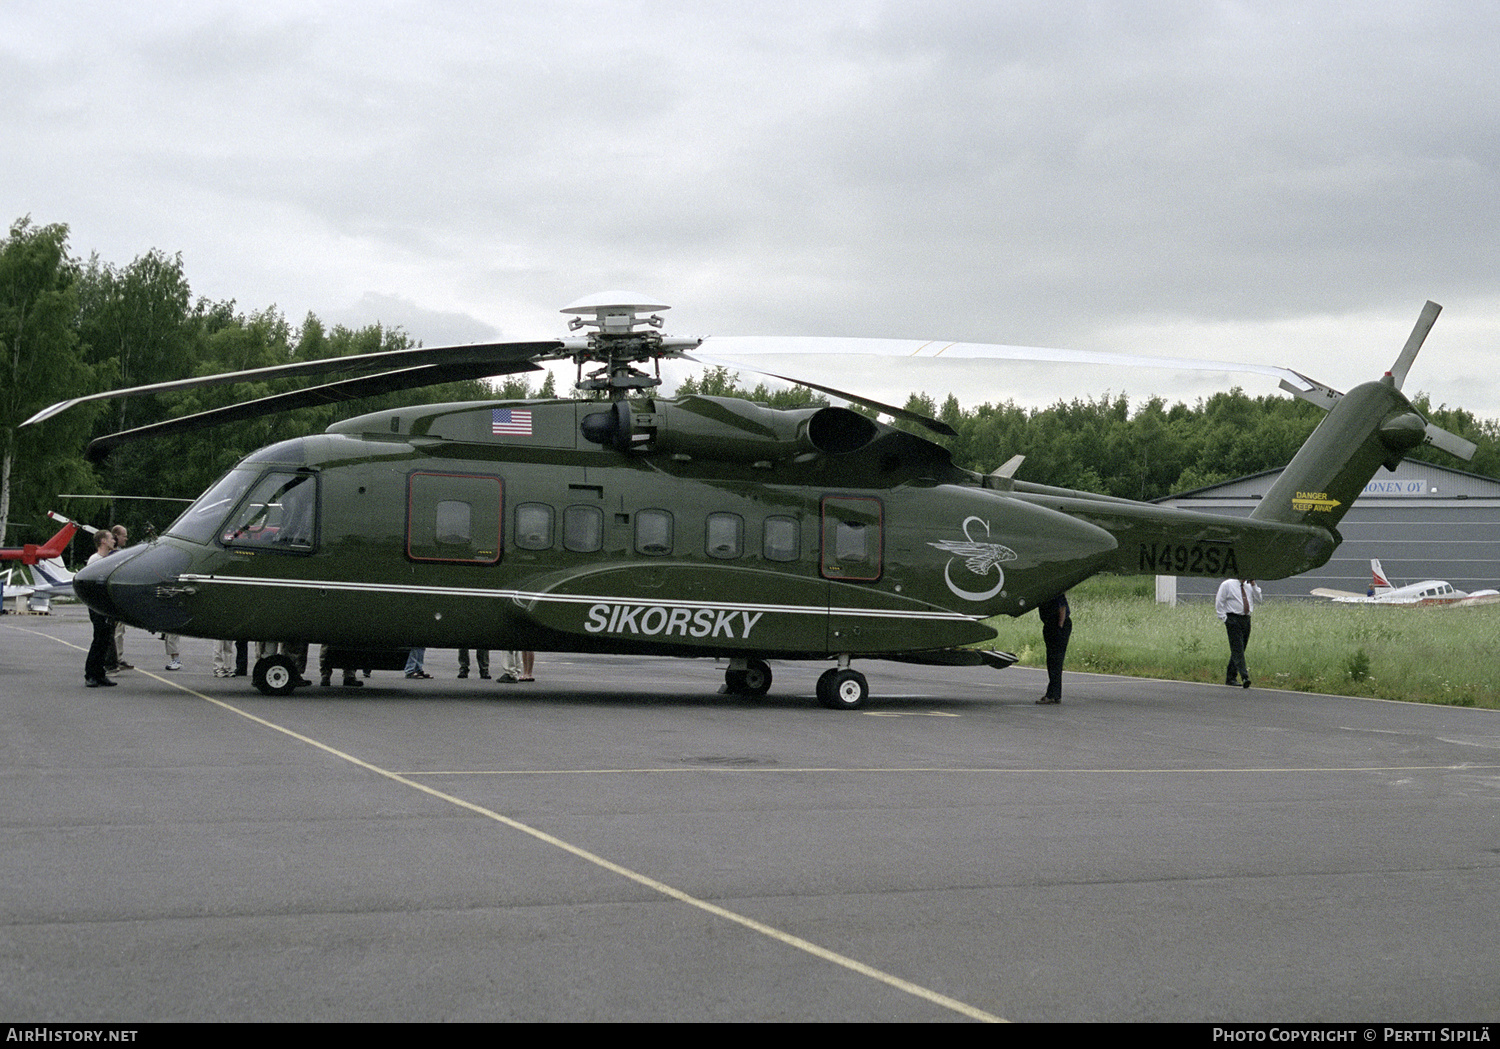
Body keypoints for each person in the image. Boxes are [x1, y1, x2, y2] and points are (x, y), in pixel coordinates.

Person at [1215, 577, 1263, 688]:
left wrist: (1254, 585)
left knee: (1241, 648)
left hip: (1245, 619)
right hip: (1233, 618)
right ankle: (1244, 676)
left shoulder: (1249, 586)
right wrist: (1224, 618)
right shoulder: (1227, 584)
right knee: (1237, 647)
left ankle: (1230, 677)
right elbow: (1219, 600)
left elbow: (1259, 599)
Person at [84, 530, 117, 687]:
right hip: (97, 606)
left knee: (105, 640)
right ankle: (90, 674)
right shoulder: (95, 560)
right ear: (103, 541)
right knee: (98, 640)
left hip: (105, 606)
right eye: (111, 538)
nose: (113, 541)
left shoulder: (107, 559)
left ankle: (100, 673)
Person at [1035, 591, 1071, 704]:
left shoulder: (1054, 590)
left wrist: (1059, 627)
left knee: (1054, 659)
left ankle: (1052, 694)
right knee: (1053, 661)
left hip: (1057, 624)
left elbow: (1062, 607)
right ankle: (1055, 694)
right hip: (1051, 624)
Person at [108, 525, 134, 671]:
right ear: (116, 536)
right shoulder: (113, 555)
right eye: (124, 535)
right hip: (115, 600)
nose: (126, 538)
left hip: (121, 601)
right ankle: (114, 658)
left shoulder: (121, 553)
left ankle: (119, 657)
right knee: (116, 632)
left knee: (120, 631)